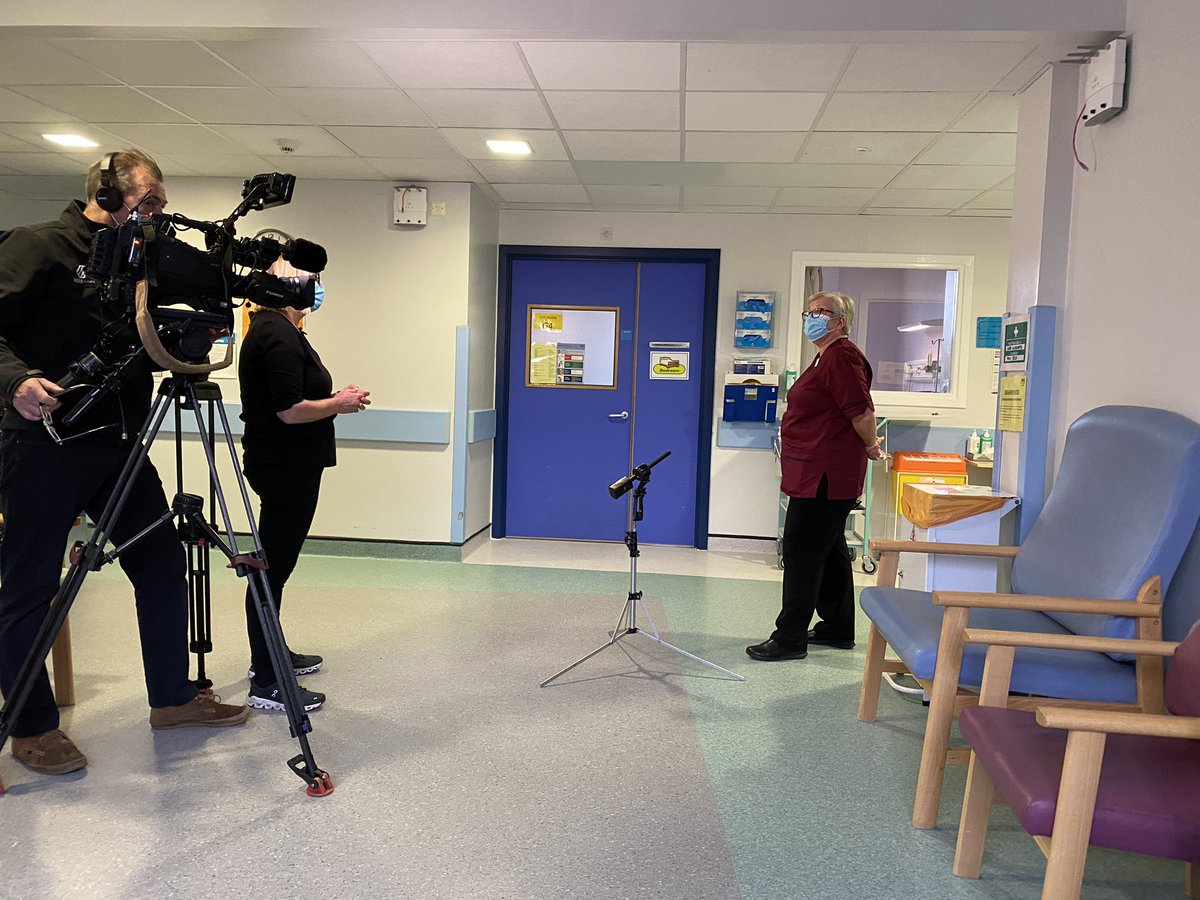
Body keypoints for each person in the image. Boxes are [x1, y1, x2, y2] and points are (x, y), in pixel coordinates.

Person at [0, 148, 251, 778]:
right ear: (108, 196)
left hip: (119, 443)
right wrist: (16, 381)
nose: (160, 212)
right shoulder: (37, 245)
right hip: (43, 443)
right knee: (31, 586)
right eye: (151, 199)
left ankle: (171, 700)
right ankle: (31, 729)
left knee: (161, 561)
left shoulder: (144, 264)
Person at [238, 258, 369, 712]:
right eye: (306, 279)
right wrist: (340, 403)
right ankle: (266, 679)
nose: (314, 287)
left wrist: (334, 400)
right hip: (283, 464)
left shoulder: (282, 330)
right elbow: (289, 411)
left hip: (290, 463)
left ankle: (275, 655)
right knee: (271, 571)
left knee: (278, 568)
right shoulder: (274, 334)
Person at [746, 291, 887, 661]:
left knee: (802, 552)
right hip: (816, 470)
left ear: (839, 320)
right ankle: (837, 628)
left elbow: (862, 413)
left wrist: (872, 446)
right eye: (809, 310)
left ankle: (790, 638)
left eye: (821, 311)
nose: (812, 316)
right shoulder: (823, 357)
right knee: (831, 551)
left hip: (825, 475)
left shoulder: (841, 356)